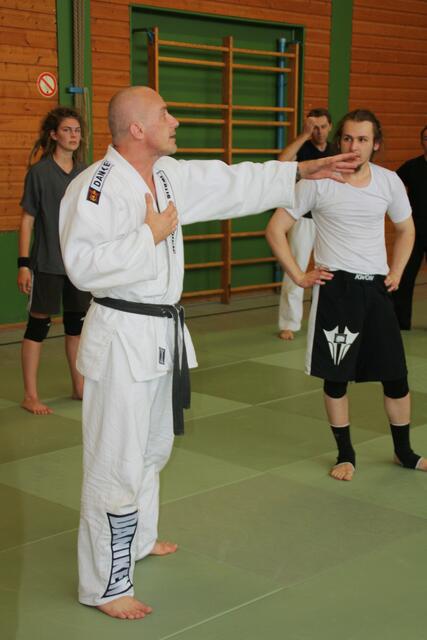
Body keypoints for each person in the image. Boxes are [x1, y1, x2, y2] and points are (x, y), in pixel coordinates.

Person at [59, 85, 359, 620]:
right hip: (122, 335)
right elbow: (82, 266)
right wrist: (149, 235)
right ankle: (105, 584)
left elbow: (230, 181)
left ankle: (138, 540)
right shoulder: (94, 187)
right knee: (115, 461)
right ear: (136, 128)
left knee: (151, 451)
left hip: (160, 334)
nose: (174, 120)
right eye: (164, 114)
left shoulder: (166, 175)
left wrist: (298, 172)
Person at [266, 109, 427, 483]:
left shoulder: (388, 182)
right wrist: (299, 275)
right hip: (336, 290)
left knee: (396, 376)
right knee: (336, 378)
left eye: (363, 139)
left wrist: (397, 271)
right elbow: (275, 229)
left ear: (376, 144)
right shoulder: (318, 182)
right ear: (340, 141)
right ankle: (345, 454)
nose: (354, 146)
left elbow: (407, 229)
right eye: (349, 138)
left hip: (377, 290)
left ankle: (404, 452)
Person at [17, 107, 91, 415]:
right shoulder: (39, 173)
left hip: (78, 266)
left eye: (77, 130)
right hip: (47, 263)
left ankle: (79, 386)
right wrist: (23, 264)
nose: (74, 135)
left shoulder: (86, 174)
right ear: (53, 135)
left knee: (76, 328)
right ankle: (30, 396)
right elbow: (27, 220)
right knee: (38, 327)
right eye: (67, 130)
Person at [277, 109, 334, 340]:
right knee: (296, 268)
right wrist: (304, 135)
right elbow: (281, 163)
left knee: (331, 271)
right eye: (314, 127)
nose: (319, 132)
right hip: (303, 218)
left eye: (323, 127)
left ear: (330, 127)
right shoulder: (302, 148)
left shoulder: (336, 151)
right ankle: (289, 323)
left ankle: (328, 318)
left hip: (329, 218)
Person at [392, 125, 427, 329]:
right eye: (426, 138)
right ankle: (400, 322)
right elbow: (392, 185)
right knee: (404, 276)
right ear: (421, 142)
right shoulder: (412, 167)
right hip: (414, 232)